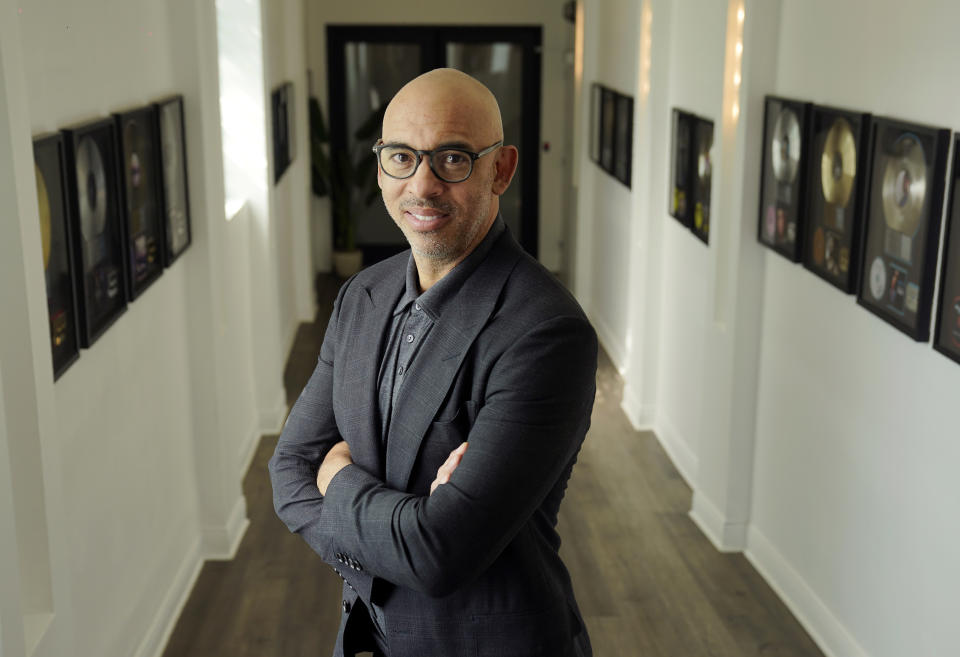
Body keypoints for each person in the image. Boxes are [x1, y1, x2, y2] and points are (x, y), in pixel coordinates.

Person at [269, 68, 597, 657]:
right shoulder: (360, 296)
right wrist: (405, 525)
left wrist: (337, 477)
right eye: (401, 156)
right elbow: (290, 472)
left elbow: (438, 554)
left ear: (502, 169)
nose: (421, 185)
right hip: (369, 638)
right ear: (380, 166)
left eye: (452, 158)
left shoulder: (545, 333)